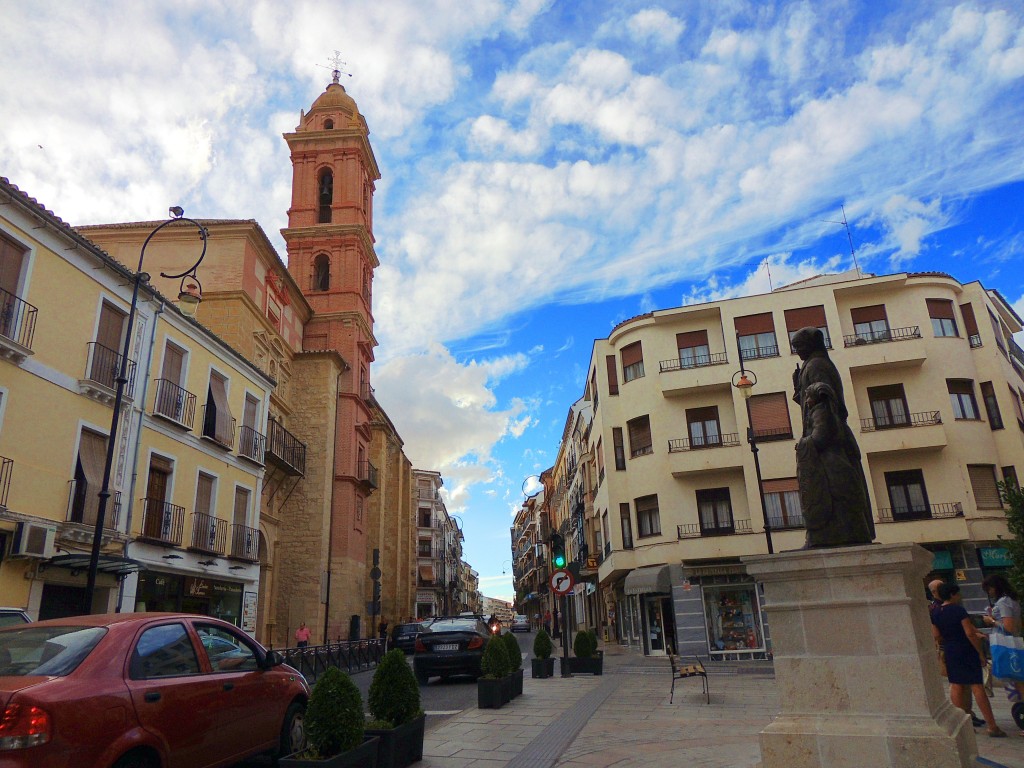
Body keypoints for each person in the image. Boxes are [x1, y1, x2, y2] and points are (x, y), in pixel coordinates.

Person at [791, 328, 874, 547]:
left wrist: (809, 443)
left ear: (812, 344)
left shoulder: (817, 365)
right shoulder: (813, 364)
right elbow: (814, 401)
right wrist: (799, 393)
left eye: (799, 345)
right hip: (828, 435)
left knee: (833, 491)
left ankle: (829, 536)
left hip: (828, 440)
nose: (796, 350)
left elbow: (822, 402)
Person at [931, 582, 1005, 737]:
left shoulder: (936, 612)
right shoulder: (958, 610)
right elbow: (969, 633)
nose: (960, 596)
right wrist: (980, 653)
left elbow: (936, 635)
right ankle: (992, 725)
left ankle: (962, 724)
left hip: (950, 650)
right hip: (965, 648)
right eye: (958, 593)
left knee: (956, 685)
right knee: (976, 686)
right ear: (952, 594)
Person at [929, 579, 985, 728]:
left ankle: (967, 714)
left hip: (951, 648)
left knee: (960, 685)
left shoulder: (939, 609)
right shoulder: (939, 608)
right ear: (934, 592)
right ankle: (965, 715)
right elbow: (938, 634)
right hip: (955, 648)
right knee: (962, 685)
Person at [981, 574, 1024, 709]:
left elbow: (1008, 627)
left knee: (1016, 679)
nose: (989, 592)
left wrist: (991, 621)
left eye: (989, 588)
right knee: (1016, 678)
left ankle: (1021, 711)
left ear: (995, 587)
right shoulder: (1012, 600)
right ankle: (1019, 712)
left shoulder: (1003, 602)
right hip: (1014, 642)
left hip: (1006, 645)